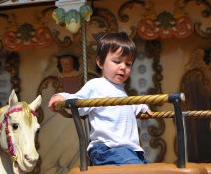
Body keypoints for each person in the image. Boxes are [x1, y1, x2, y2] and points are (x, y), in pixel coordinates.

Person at [48, 32, 153, 165]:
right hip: (108, 149)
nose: (123, 67)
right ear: (100, 62)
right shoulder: (97, 85)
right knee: (141, 173)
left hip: (129, 150)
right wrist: (62, 97)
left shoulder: (120, 91)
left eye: (128, 64)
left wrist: (142, 108)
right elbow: (78, 101)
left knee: (149, 173)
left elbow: (129, 105)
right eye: (117, 61)